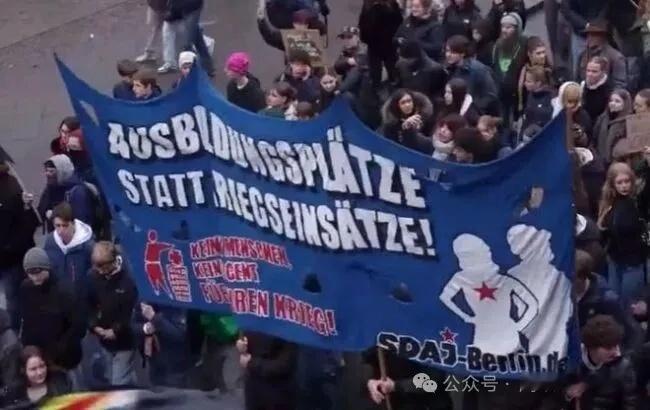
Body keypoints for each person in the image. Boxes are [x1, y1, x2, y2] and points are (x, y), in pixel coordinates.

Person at [19, 248, 84, 379]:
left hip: (65, 357)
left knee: (73, 386)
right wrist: (27, 346)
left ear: (47, 268)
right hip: (40, 354)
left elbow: (78, 325)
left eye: (38, 272)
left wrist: (61, 348)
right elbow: (27, 319)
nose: (35, 277)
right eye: (30, 273)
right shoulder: (26, 288)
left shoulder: (64, 290)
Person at [87, 242, 138, 387]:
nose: (98, 270)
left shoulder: (128, 280)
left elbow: (131, 312)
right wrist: (93, 326)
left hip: (125, 341)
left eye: (102, 266)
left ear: (113, 261)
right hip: (104, 340)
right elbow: (87, 304)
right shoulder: (92, 276)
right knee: (113, 377)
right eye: (96, 266)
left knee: (118, 383)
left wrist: (116, 330)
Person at [563, 315, 637, 409]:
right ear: (592, 346)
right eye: (608, 348)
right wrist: (568, 393)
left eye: (615, 346)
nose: (615, 352)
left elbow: (629, 404)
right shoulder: (570, 362)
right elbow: (553, 397)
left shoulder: (622, 367)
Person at [574, 250, 642, 352]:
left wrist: (621, 357)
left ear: (582, 278)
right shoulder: (560, 295)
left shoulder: (607, 301)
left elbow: (633, 335)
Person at [598, 162, 647, 304]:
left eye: (627, 181)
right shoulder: (609, 204)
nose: (624, 186)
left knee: (629, 304)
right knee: (614, 303)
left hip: (633, 263)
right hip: (615, 261)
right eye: (619, 183)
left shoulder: (637, 202)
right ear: (613, 184)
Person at [0, 160, 39, 330]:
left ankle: (14, 332)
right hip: (10, 254)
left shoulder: (10, 189)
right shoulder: (12, 185)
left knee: (13, 298)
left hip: (11, 256)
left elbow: (24, 225)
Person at [365, 348, 453, 410]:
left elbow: (433, 380)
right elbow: (374, 364)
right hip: (398, 403)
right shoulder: (382, 335)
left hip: (430, 403)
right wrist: (372, 382)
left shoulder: (431, 336)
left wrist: (395, 386)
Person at [133, 302, 194, 388]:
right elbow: (132, 326)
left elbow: (179, 334)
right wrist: (144, 328)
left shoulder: (178, 304)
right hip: (153, 363)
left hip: (174, 365)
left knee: (173, 392)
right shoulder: (145, 301)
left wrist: (154, 318)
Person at [42, 202, 94, 299]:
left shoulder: (88, 246)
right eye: (57, 225)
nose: (61, 231)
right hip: (58, 299)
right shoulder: (50, 242)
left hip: (81, 300)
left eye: (65, 225)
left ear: (73, 224)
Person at [236, 332, 298, 410]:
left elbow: (284, 364)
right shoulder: (251, 326)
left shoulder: (289, 331)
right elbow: (245, 345)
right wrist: (242, 346)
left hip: (277, 390)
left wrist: (251, 362)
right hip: (254, 387)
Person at [36, 154, 95, 231]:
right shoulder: (50, 188)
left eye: (51, 171)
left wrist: (54, 215)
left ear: (62, 172)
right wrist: (28, 206)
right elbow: (40, 214)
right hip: (58, 235)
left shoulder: (78, 192)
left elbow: (81, 222)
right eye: (46, 170)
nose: (47, 174)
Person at [0, 346, 71, 407]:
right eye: (33, 369)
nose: (39, 372)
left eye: (42, 366)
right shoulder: (15, 395)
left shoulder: (60, 386)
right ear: (23, 370)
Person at [445, 35, 499, 115]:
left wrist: (473, 108)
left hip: (473, 114)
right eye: (447, 51)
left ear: (462, 53)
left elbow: (491, 95)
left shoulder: (478, 70)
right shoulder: (448, 69)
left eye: (453, 52)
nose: (448, 55)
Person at [490, 12, 527, 125]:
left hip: (518, 92)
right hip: (501, 89)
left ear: (517, 28)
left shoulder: (524, 43)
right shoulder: (498, 45)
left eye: (508, 27)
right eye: (503, 27)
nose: (504, 30)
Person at [358, 0, 403, 87]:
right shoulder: (369, 5)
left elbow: (398, 23)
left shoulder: (391, 5)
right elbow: (363, 23)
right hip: (375, 45)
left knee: (393, 73)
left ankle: (393, 88)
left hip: (388, 45)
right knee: (376, 76)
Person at [560, 0, 610, 73]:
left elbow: (607, 5)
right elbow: (566, 9)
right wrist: (585, 25)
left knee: (602, 67)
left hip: (600, 31)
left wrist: (596, 24)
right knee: (580, 67)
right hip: (580, 32)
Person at [379, 89, 435, 154]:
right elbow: (392, 145)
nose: (407, 105)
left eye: (409, 101)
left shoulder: (424, 118)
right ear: (397, 105)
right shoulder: (390, 124)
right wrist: (406, 129)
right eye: (403, 103)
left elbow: (429, 143)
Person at [576, 22, 627, 90]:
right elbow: (577, 80)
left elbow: (620, 85)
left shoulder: (616, 57)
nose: (589, 38)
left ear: (603, 37)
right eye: (587, 35)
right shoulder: (583, 55)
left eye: (593, 35)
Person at [257, 2, 326, 53]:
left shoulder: (315, 30)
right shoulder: (288, 38)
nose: (300, 26)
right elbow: (270, 37)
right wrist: (261, 19)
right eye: (298, 23)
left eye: (304, 24)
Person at [170, 0, 215, 77]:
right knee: (198, 40)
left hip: (192, 6)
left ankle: (191, 72)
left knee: (188, 43)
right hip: (183, 8)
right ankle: (208, 67)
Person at [516, 36, 555, 119]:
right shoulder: (524, 69)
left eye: (543, 52)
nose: (542, 56)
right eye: (538, 53)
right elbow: (520, 90)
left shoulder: (550, 70)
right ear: (529, 54)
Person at [136, 0, 177, 73]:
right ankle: (150, 53)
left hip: (170, 5)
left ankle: (172, 61)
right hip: (154, 5)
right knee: (154, 28)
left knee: (171, 30)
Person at [594, 89, 632, 164]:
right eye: (611, 100)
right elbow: (594, 139)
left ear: (625, 104)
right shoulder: (602, 118)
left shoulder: (629, 122)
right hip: (599, 162)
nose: (612, 103)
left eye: (617, 101)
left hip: (618, 163)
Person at [553, 81, 592, 147]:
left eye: (576, 101)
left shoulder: (583, 116)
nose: (573, 105)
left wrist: (580, 136)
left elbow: (587, 141)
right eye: (570, 101)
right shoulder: (556, 112)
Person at [520, 66, 554, 141]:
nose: (525, 83)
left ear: (538, 83)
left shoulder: (549, 98)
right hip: (526, 137)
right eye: (525, 80)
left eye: (528, 81)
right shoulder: (530, 95)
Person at [581, 56, 613, 124]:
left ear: (603, 72)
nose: (590, 74)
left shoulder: (609, 90)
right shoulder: (582, 86)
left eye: (594, 71)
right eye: (588, 70)